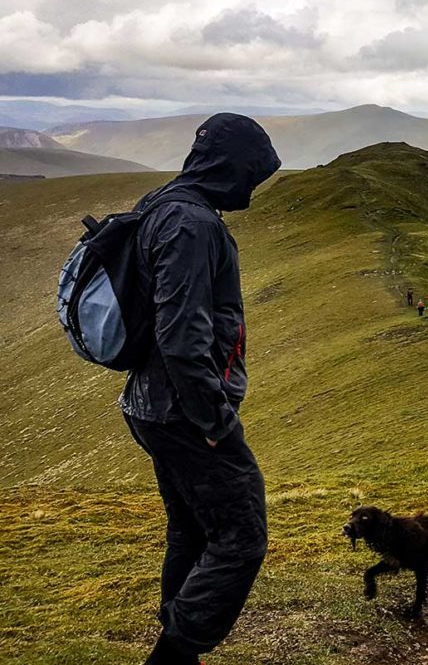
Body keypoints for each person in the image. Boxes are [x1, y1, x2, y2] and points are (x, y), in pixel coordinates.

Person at [122, 113, 281, 664]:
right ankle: (172, 656)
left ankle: (180, 650)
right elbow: (183, 334)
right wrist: (213, 419)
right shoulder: (192, 224)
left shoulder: (161, 203)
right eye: (251, 176)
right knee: (242, 536)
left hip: (150, 403)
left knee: (191, 528)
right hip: (183, 412)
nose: (251, 189)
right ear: (229, 166)